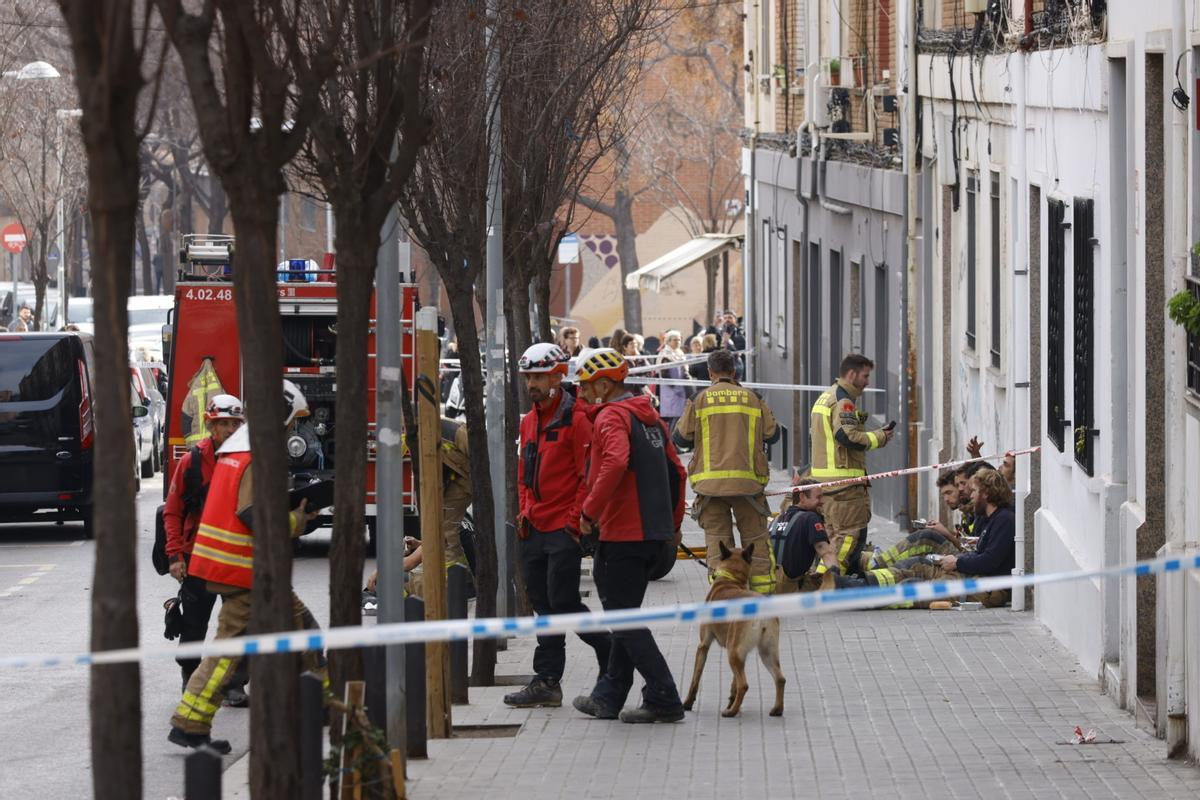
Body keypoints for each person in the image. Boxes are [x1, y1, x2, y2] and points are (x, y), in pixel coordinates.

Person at [168, 380, 323, 753]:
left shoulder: (236, 449)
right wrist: (297, 521)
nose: (293, 429)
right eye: (292, 421)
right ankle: (190, 722)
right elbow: (254, 514)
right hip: (245, 572)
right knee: (227, 653)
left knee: (305, 631)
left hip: (239, 569)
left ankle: (326, 707)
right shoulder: (255, 452)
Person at [570, 348, 687, 724]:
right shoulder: (650, 419)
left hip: (623, 533)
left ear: (604, 385)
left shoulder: (611, 417)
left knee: (624, 619)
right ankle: (608, 696)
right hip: (652, 534)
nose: (582, 393)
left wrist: (589, 511)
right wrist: (671, 525)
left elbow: (616, 461)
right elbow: (677, 472)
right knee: (625, 614)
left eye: (586, 386)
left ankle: (664, 696)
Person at [502, 343, 612, 708]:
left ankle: (609, 655)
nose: (531, 384)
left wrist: (573, 520)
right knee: (544, 606)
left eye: (538, 377)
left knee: (563, 603)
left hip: (563, 529)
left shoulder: (578, 418)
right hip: (533, 526)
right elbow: (523, 473)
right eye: (528, 377)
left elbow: (589, 476)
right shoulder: (530, 419)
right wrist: (525, 509)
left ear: (557, 376)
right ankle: (548, 681)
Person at [162, 394, 249, 704]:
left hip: (238, 559)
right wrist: (175, 556)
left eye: (234, 424)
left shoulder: (251, 461)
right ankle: (191, 679)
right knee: (193, 626)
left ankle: (234, 684)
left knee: (241, 625)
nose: (228, 429)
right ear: (210, 426)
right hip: (198, 559)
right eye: (222, 423)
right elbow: (172, 511)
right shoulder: (192, 461)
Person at [673, 348, 779, 593]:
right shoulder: (753, 398)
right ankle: (761, 599)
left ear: (710, 373)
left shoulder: (700, 400)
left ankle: (725, 598)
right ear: (734, 371)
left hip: (711, 488)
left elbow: (680, 437)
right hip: (748, 485)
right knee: (756, 543)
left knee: (718, 544)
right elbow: (772, 435)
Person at [364, 418, 473, 600]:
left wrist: (395, 568)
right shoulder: (425, 439)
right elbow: (441, 540)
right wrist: (420, 545)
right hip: (463, 479)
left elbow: (441, 537)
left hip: (449, 588)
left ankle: (452, 587)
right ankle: (458, 584)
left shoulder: (451, 435)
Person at [809, 354, 894, 575]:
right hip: (844, 484)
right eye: (865, 376)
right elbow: (847, 436)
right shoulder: (843, 401)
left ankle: (822, 578)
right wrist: (879, 437)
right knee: (848, 536)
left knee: (832, 537)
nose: (867, 382)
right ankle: (826, 579)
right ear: (852, 374)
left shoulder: (825, 397)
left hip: (825, 484)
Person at [772, 479, 840, 593]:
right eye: (818, 497)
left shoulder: (777, 518)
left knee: (815, 579)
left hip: (770, 584)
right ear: (802, 497)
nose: (822, 501)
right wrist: (836, 578)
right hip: (790, 588)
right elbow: (826, 552)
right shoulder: (810, 518)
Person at [656, 330, 687, 430]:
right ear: (668, 341)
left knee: (680, 416)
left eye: (679, 340)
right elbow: (664, 374)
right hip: (670, 390)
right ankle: (671, 440)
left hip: (681, 389)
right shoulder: (665, 354)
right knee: (673, 418)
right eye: (675, 340)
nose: (678, 342)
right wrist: (675, 387)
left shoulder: (680, 352)